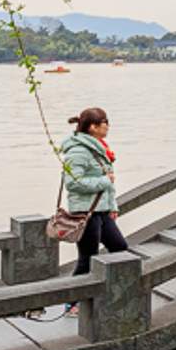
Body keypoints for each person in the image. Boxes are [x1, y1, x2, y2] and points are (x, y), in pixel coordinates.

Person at [61, 108, 127, 277]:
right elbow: (73, 183)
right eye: (105, 122)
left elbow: (107, 182)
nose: (108, 126)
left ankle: (112, 293)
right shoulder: (78, 151)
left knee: (119, 248)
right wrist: (105, 180)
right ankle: (71, 301)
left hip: (101, 210)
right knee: (87, 260)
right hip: (86, 212)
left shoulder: (99, 148)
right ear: (93, 127)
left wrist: (112, 206)